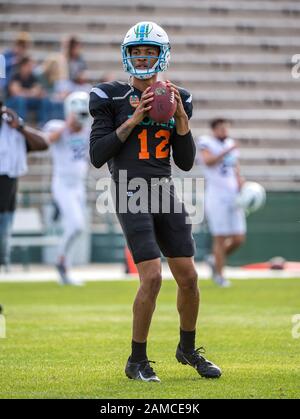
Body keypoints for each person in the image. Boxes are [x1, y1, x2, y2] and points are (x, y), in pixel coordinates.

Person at [89, 21, 221, 382]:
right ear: (126, 55)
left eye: (149, 51)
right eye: (137, 52)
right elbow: (98, 156)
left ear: (162, 55)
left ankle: (188, 349)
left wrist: (180, 117)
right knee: (151, 276)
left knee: (190, 277)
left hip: (164, 188)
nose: (143, 57)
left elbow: (186, 161)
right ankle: (137, 360)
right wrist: (134, 117)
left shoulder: (180, 96)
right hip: (130, 188)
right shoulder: (108, 95)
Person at [44, 92, 90, 286]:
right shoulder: (56, 126)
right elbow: (47, 140)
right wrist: (67, 125)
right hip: (62, 183)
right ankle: (61, 261)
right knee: (76, 225)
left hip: (79, 184)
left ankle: (65, 267)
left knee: (76, 228)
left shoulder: (87, 129)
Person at [198, 118, 246, 287]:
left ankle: (214, 259)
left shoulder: (229, 143)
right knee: (220, 237)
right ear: (214, 129)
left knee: (239, 238)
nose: (224, 131)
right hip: (216, 196)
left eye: (226, 127)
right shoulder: (206, 142)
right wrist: (226, 151)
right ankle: (219, 275)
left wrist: (240, 181)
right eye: (221, 128)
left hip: (233, 196)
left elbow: (234, 166)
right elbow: (208, 161)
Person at [0, 102, 48, 271]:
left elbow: (43, 144)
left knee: (3, 244)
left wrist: (20, 127)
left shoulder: (12, 129)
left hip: (7, 197)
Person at [7, 56, 51, 126]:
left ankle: (43, 124)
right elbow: (16, 93)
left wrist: (24, 92)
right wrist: (31, 93)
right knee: (20, 99)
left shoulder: (33, 77)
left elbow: (38, 91)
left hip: (28, 100)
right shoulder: (16, 76)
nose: (31, 67)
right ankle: (21, 124)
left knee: (44, 100)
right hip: (13, 101)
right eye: (29, 65)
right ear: (23, 66)